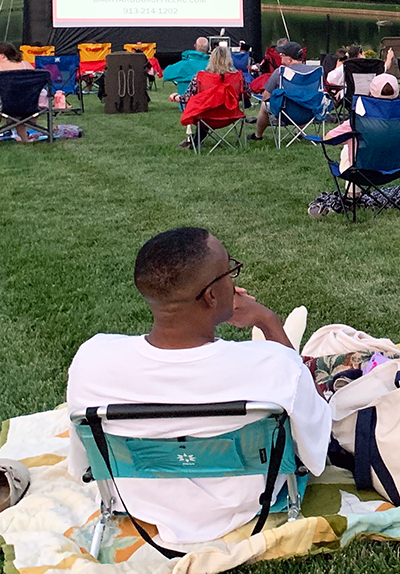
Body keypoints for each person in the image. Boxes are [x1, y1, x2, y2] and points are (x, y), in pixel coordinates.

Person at [66, 228, 328, 546]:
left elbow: (84, 462)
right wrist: (268, 321)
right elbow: (317, 432)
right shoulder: (273, 365)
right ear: (212, 296)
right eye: (229, 271)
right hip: (249, 502)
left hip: (136, 501)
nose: (233, 279)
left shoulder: (92, 359)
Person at [179, 46, 244, 150]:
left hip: (206, 117)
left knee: (202, 108)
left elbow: (186, 98)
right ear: (229, 59)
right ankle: (195, 141)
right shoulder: (238, 76)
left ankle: (195, 141)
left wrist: (177, 97)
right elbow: (246, 94)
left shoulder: (200, 77)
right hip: (231, 114)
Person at [248, 41, 306, 141]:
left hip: (286, 112)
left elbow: (266, 97)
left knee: (264, 105)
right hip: (309, 112)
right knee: (303, 101)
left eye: (282, 54)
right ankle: (299, 133)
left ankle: (258, 136)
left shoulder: (280, 72)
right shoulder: (314, 72)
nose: (280, 55)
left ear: (289, 58)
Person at [0, 43, 37, 141]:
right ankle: (24, 138)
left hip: (9, 107)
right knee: (17, 98)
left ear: (2, 55)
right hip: (33, 105)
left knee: (12, 101)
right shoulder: (26, 65)